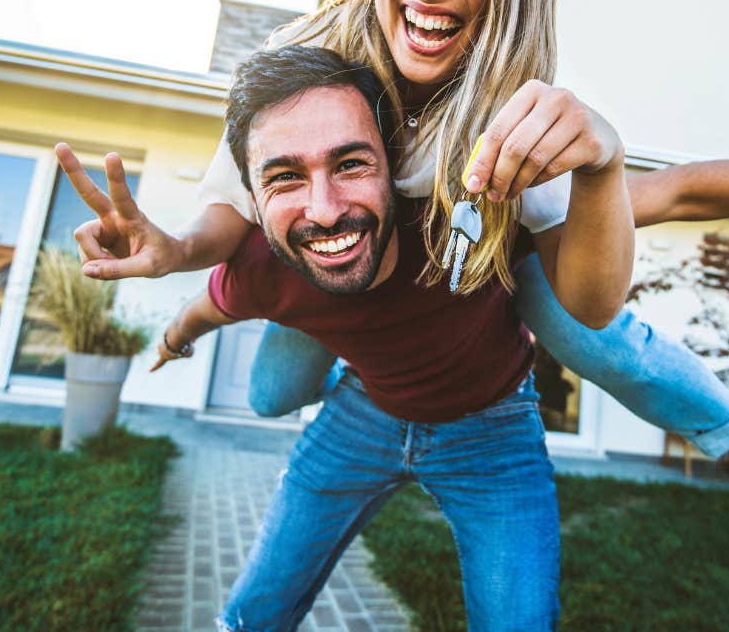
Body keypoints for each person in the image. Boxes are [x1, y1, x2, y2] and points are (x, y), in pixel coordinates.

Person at [56, 0, 729, 559]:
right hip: (324, 276)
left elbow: (671, 201)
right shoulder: (303, 63)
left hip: (476, 275)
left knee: (584, 332)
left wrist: (612, 163)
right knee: (269, 394)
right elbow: (233, 212)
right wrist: (177, 250)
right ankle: (346, 357)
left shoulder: (509, 119)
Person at [157, 44, 634, 631]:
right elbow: (205, 309)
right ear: (251, 201)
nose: (326, 211)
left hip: (493, 429)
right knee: (253, 611)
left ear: (396, 163)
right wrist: (171, 338)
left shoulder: (474, 208)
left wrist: (605, 158)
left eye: (351, 164)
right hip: (362, 415)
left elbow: (679, 193)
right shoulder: (264, 264)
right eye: (284, 176)